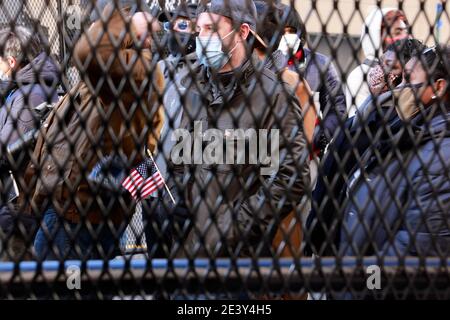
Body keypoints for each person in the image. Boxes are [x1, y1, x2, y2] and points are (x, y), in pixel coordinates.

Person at [16, 0, 164, 260]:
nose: (94, 29)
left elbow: (88, 52)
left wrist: (127, 23)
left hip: (81, 219)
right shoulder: (104, 75)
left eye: (103, 26)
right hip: (62, 209)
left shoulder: (138, 72)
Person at [167, 0, 310, 258]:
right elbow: (178, 157)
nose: (202, 39)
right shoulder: (191, 84)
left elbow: (292, 175)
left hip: (237, 258)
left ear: (242, 33)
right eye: (199, 30)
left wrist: (236, 228)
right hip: (185, 251)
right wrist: (176, 203)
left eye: (211, 29)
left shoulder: (274, 95)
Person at [306, 38, 426, 256]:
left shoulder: (393, 128)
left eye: (392, 67)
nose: (380, 71)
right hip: (327, 239)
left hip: (354, 247)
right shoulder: (364, 113)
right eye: (382, 63)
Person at [340, 46, 450, 257]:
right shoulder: (408, 130)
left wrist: (367, 282)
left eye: (408, 78)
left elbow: (416, 246)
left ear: (438, 87)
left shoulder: (439, 154)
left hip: (376, 280)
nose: (399, 86)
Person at [141, 1, 199, 258]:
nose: (174, 30)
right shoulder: (160, 68)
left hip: (180, 187)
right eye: (170, 24)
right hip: (153, 178)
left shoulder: (203, 73)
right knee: (156, 258)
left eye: (182, 23)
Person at [0, 26, 59, 260]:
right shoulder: (20, 91)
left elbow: (7, 150)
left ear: (12, 62)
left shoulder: (31, 95)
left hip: (19, 204)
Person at [277, 3, 346, 155]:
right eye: (281, 32)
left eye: (291, 31)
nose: (286, 36)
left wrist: (317, 137)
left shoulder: (320, 64)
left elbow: (337, 109)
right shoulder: (261, 62)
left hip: (308, 155)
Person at [346, 8, 409, 116]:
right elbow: (357, 123)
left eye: (405, 31)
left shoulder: (411, 70)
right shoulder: (360, 76)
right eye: (397, 32)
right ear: (378, 36)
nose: (405, 37)